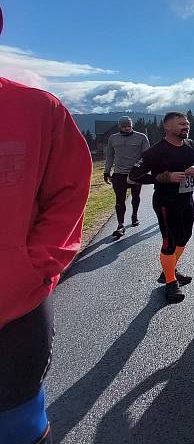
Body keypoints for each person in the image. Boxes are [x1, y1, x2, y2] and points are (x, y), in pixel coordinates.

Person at [0, 77, 92, 444]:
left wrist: (32, 267)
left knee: (19, 426)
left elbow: (68, 190)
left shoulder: (38, 108)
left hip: (15, 305)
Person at [128, 112, 194, 304]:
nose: (186, 127)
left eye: (187, 124)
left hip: (187, 199)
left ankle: (168, 271)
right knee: (169, 242)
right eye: (181, 124)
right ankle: (170, 283)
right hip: (166, 202)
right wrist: (164, 177)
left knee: (185, 237)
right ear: (167, 127)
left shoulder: (191, 144)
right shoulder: (156, 151)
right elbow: (134, 175)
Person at [103, 116, 150, 237]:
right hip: (119, 174)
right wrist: (107, 172)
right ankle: (121, 225)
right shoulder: (113, 138)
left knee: (135, 196)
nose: (127, 128)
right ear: (119, 126)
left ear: (132, 125)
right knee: (119, 200)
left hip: (135, 174)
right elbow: (109, 156)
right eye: (124, 126)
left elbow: (147, 156)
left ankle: (134, 215)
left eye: (129, 126)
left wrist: (142, 170)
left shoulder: (141, 137)